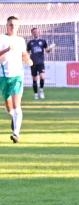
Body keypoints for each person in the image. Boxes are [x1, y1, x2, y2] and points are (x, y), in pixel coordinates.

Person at [0, 16, 33, 144]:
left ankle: (16, 134)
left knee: (16, 105)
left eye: (15, 25)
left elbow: (23, 53)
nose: (12, 27)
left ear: (18, 27)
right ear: (6, 26)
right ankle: (13, 117)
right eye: (10, 25)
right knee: (9, 107)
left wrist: (27, 59)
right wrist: (7, 50)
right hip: (3, 77)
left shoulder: (20, 40)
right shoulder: (2, 38)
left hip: (17, 76)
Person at [27, 27, 55, 100]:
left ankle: (41, 90)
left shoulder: (43, 41)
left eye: (36, 32)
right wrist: (27, 59)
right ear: (32, 33)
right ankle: (36, 94)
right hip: (33, 63)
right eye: (34, 32)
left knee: (42, 77)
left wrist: (50, 48)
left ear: (39, 32)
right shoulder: (30, 43)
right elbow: (27, 52)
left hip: (40, 62)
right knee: (34, 79)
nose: (35, 33)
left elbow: (47, 51)